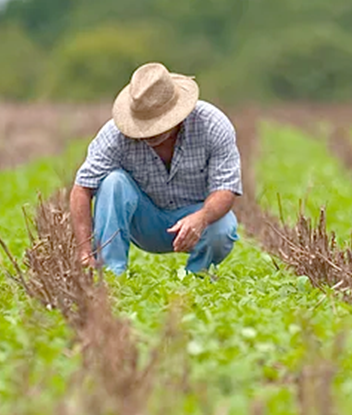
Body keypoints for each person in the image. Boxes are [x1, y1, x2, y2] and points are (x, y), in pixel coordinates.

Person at [69, 61, 242, 276]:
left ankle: (198, 276)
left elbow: (225, 188)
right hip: (144, 222)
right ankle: (111, 275)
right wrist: (84, 251)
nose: (149, 133)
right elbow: (82, 188)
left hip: (194, 216)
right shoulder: (114, 135)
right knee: (113, 182)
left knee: (223, 226)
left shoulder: (213, 125)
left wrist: (202, 217)